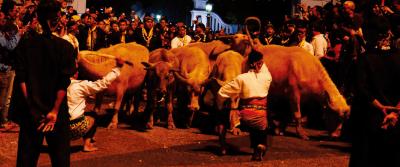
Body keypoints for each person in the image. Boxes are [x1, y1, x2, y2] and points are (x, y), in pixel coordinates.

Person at [12, 0, 76, 166]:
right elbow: (64, 82)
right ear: (56, 20)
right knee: (60, 159)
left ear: (38, 19)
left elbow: (22, 79)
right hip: (57, 112)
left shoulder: (25, 45)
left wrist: (33, 109)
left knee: (27, 159)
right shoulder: (66, 47)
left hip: (32, 112)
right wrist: (54, 111)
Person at [349, 32, 400, 167]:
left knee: (367, 157)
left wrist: (380, 106)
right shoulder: (398, 57)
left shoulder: (365, 59)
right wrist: (395, 111)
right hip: (395, 117)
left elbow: (361, 89)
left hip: (369, 116)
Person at [218, 49, 272, 161]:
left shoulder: (241, 78)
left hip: (244, 117)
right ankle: (260, 145)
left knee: (222, 115)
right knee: (261, 126)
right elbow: (262, 66)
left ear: (248, 64)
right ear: (260, 64)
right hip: (260, 116)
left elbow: (222, 92)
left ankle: (222, 145)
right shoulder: (267, 77)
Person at [68, 57, 124, 152]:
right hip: (74, 128)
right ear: (76, 73)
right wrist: (117, 68)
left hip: (57, 128)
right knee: (93, 116)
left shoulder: (56, 85)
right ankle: (87, 145)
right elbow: (102, 84)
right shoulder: (80, 85)